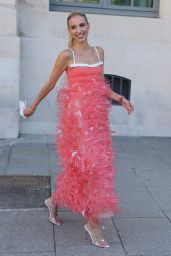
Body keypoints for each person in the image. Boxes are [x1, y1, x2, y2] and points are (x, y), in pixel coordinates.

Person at [24, 11, 134, 248]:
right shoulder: (67, 55)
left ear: (88, 26)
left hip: (96, 120)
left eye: (81, 25)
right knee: (91, 169)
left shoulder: (99, 52)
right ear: (69, 31)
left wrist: (119, 97)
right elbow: (50, 83)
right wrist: (32, 105)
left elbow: (100, 85)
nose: (78, 30)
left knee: (87, 169)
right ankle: (93, 223)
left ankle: (53, 200)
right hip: (76, 120)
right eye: (73, 27)